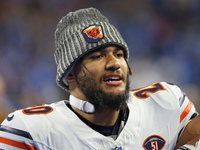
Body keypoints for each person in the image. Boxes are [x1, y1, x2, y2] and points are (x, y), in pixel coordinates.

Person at [0, 7, 199, 150]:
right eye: (97, 56)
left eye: (119, 54)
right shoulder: (29, 131)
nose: (114, 63)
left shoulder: (165, 101)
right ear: (69, 73)